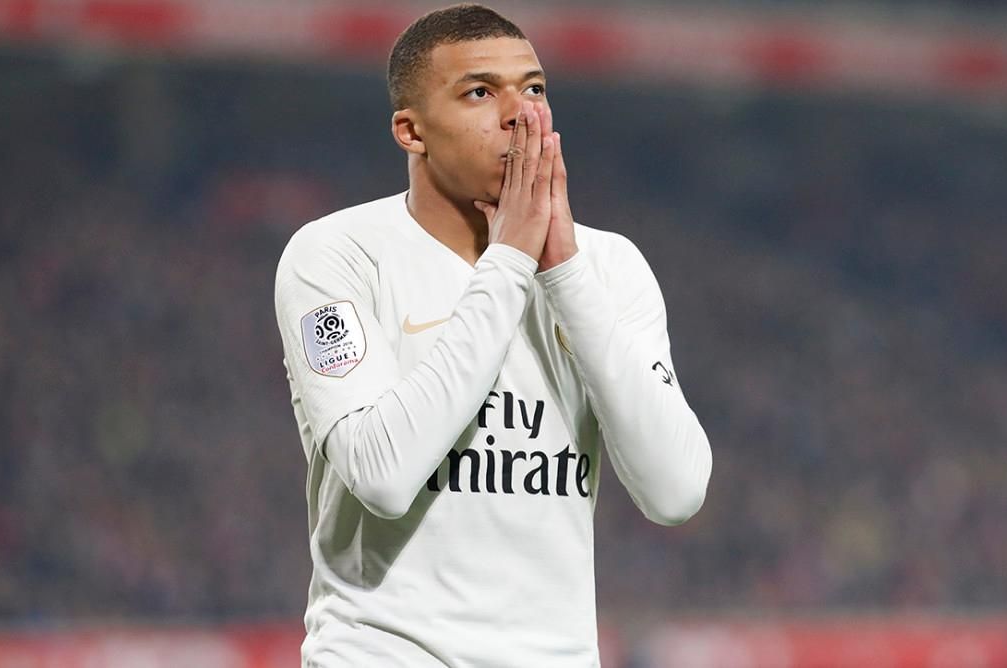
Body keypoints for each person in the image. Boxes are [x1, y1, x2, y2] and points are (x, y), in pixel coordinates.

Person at [274, 4, 712, 665]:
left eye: (533, 89)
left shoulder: (610, 267)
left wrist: (563, 272)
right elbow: (383, 475)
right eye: (480, 92)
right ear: (411, 131)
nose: (519, 114)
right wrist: (508, 261)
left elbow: (676, 492)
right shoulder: (338, 254)